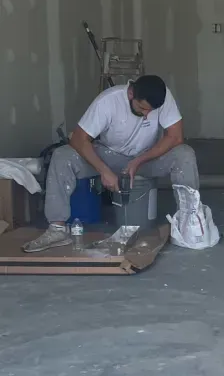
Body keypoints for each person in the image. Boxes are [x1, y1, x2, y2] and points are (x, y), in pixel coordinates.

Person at [24, 75, 199, 253]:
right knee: (62, 156)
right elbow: (78, 138)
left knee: (184, 154)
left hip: (146, 157)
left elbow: (175, 137)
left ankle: (189, 224)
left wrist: (139, 161)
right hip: (108, 155)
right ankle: (57, 229)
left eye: (151, 111)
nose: (147, 115)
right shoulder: (108, 101)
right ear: (131, 94)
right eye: (142, 108)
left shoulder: (163, 97)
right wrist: (103, 170)